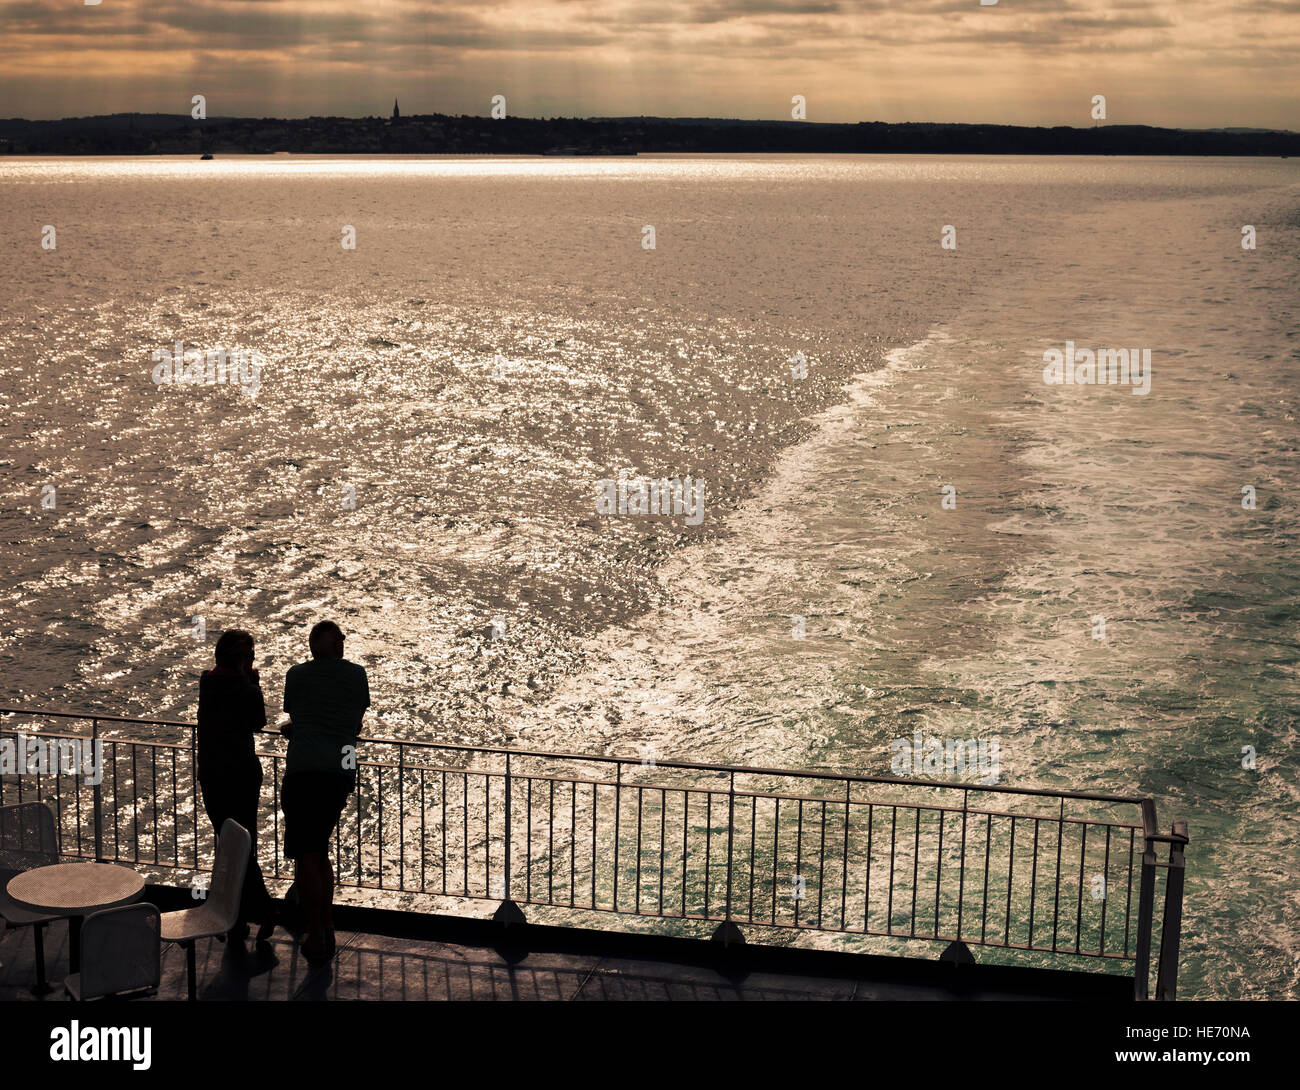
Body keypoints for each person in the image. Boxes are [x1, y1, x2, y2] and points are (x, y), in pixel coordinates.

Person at [281, 620, 369, 963]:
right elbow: (355, 723)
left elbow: (297, 718)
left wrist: (299, 727)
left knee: (307, 855)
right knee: (320, 850)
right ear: (335, 646)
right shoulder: (357, 675)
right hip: (341, 769)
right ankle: (327, 924)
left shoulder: (297, 675)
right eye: (341, 640)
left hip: (304, 770)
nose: (344, 644)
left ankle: (316, 934)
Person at [196, 628, 277, 942]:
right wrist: (253, 683)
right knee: (244, 845)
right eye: (251, 655)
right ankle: (265, 910)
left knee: (228, 844)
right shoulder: (244, 689)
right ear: (243, 660)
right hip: (241, 774)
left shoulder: (208, 682)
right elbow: (257, 721)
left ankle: (234, 915)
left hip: (212, 774)